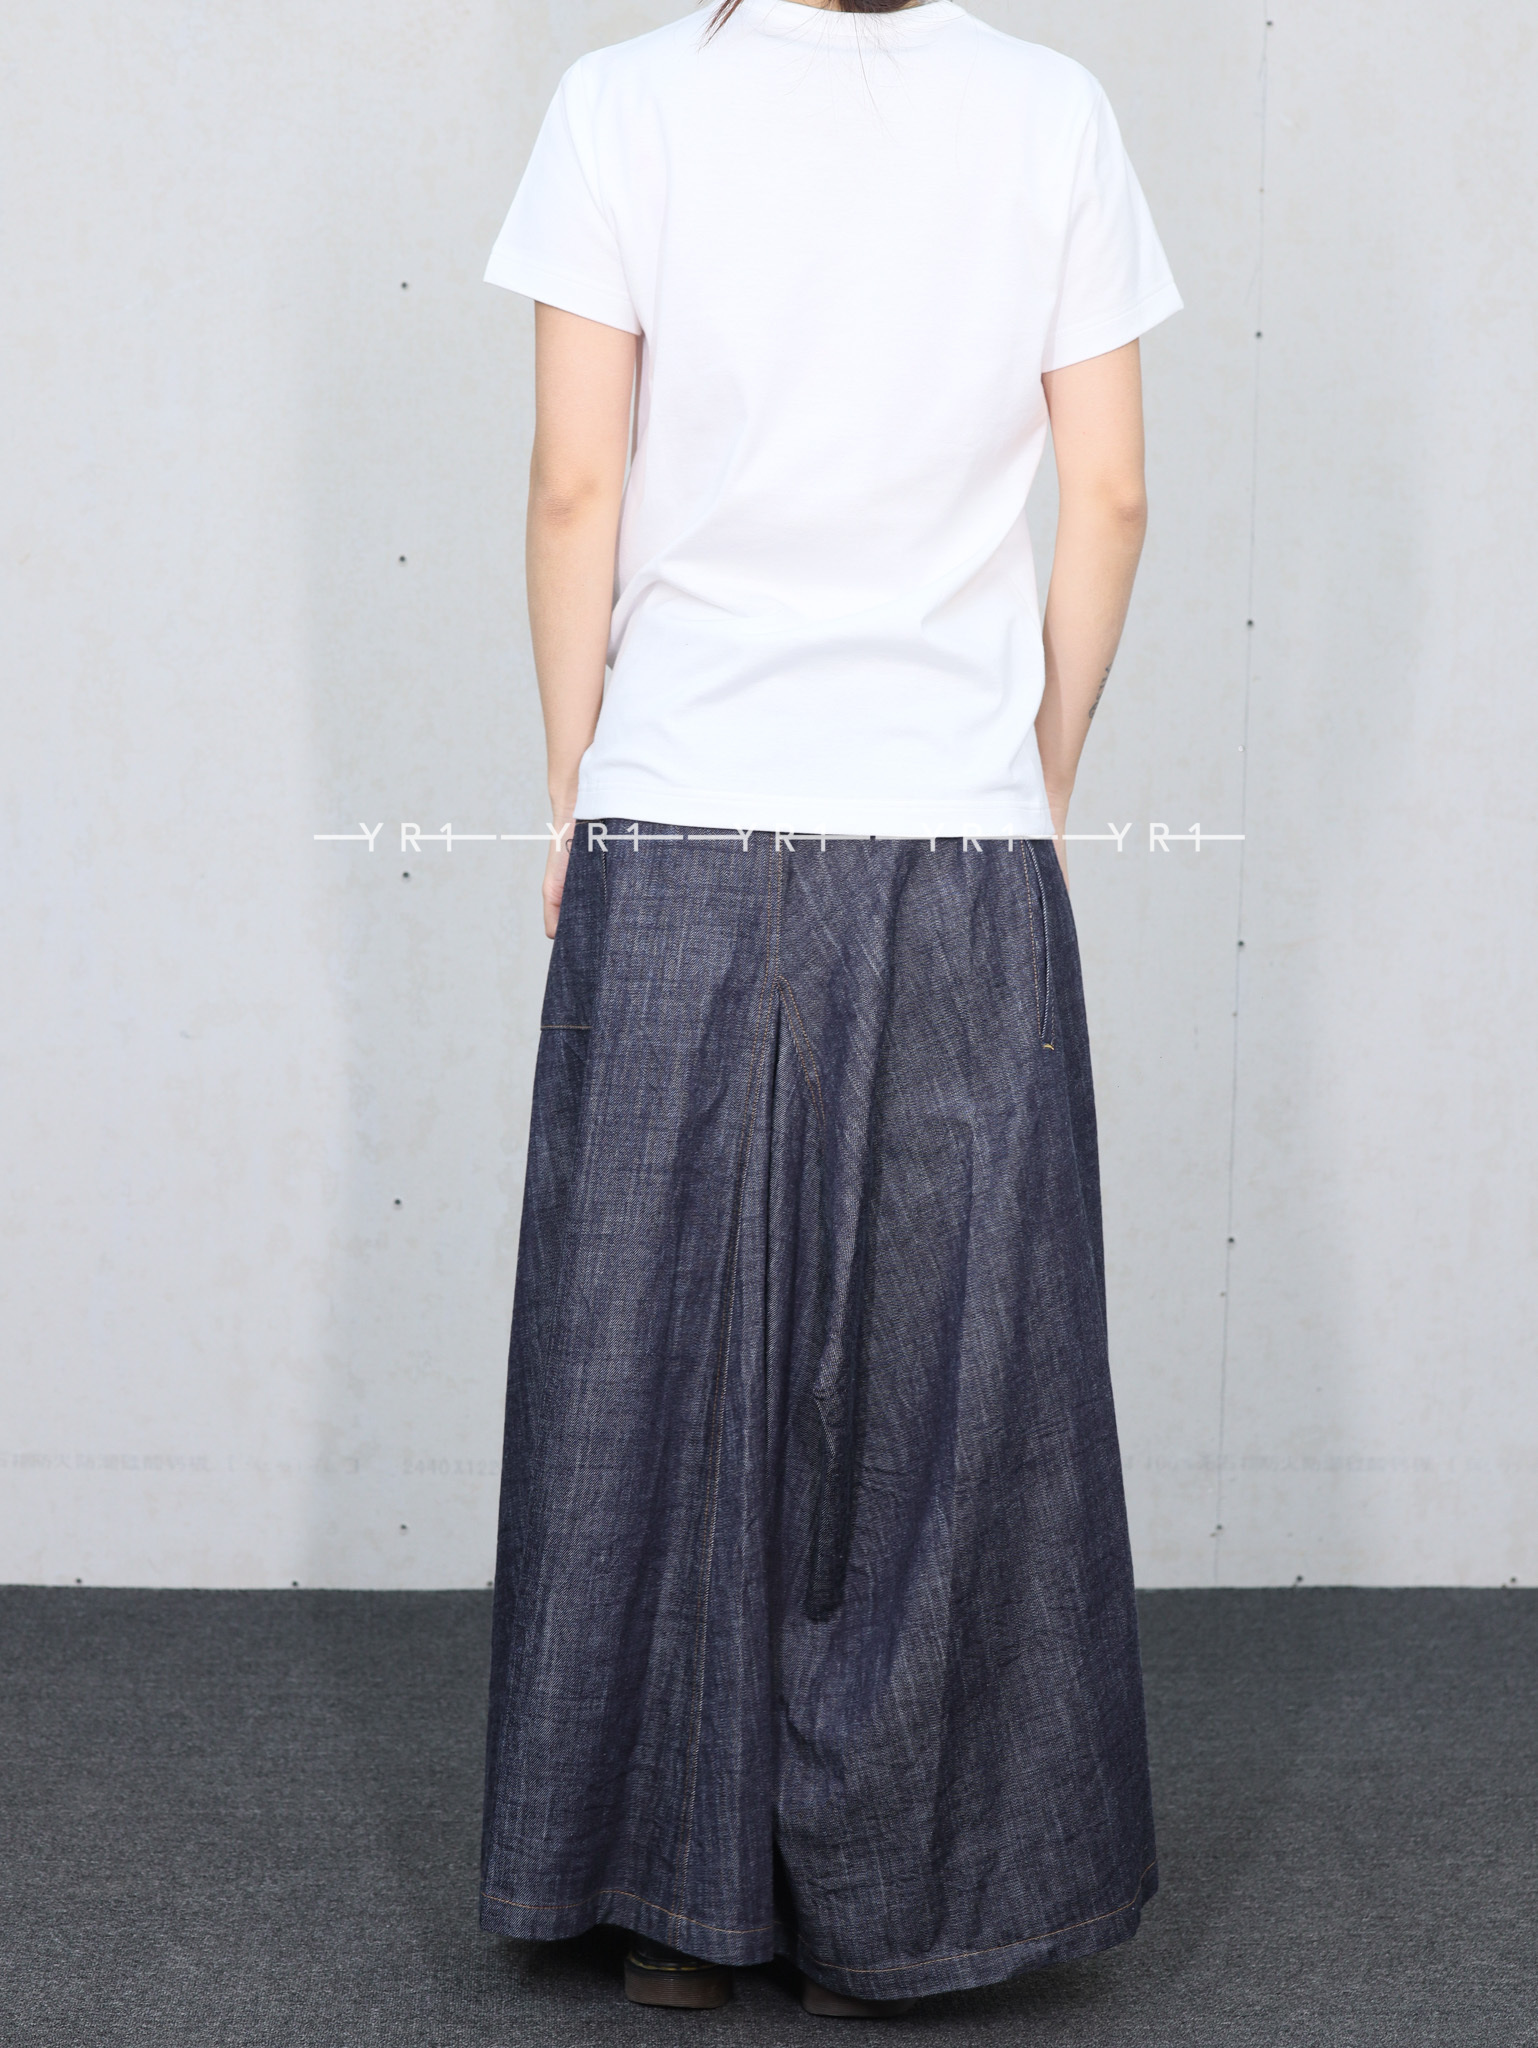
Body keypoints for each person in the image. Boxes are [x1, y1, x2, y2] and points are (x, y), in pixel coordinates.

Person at [478, 0, 1181, 2018]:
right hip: (949, 818)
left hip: (680, 802)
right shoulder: (1049, 109)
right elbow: (1110, 497)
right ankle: (914, 1901)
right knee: (952, 1380)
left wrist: (573, 785)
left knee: (649, 1355)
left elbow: (573, 483)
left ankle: (670, 1895)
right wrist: (1034, 778)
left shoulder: (623, 103)